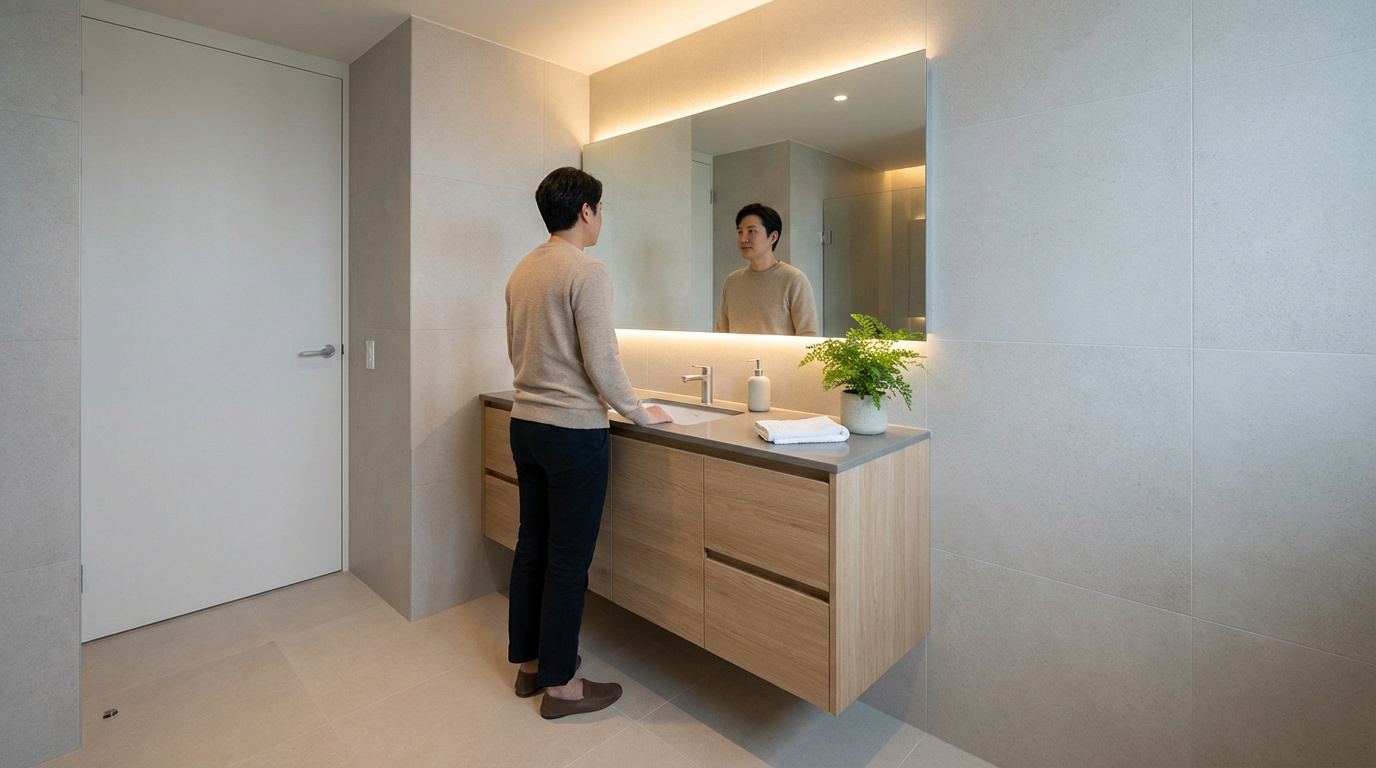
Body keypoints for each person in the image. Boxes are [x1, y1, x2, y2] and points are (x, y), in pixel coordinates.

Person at [504, 167, 672, 719]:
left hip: (525, 424)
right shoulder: (587, 271)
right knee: (567, 561)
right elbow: (602, 359)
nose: (601, 219)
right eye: (600, 209)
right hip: (572, 433)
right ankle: (562, 687)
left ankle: (531, 666)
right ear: (585, 211)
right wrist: (638, 412)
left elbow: (518, 348)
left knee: (533, 547)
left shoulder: (522, 270)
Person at [714, 203, 820, 336]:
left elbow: (808, 335)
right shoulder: (732, 281)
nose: (743, 239)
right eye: (740, 232)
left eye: (751, 231)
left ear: (773, 237)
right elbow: (721, 333)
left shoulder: (794, 279)